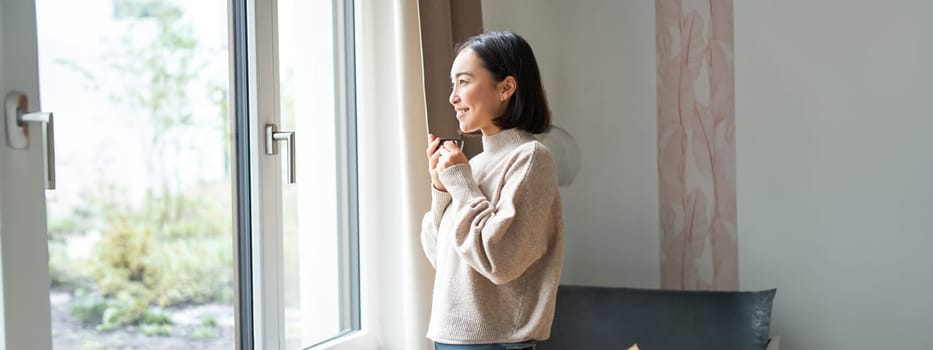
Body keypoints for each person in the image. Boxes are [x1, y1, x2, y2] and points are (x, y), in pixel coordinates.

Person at [421, 31, 564, 350]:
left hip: (495, 342)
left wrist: (461, 182)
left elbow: (499, 260)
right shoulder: (477, 164)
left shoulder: (531, 158)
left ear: (506, 88)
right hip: (450, 338)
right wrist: (441, 189)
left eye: (464, 81)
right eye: (452, 84)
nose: (452, 97)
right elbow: (441, 257)